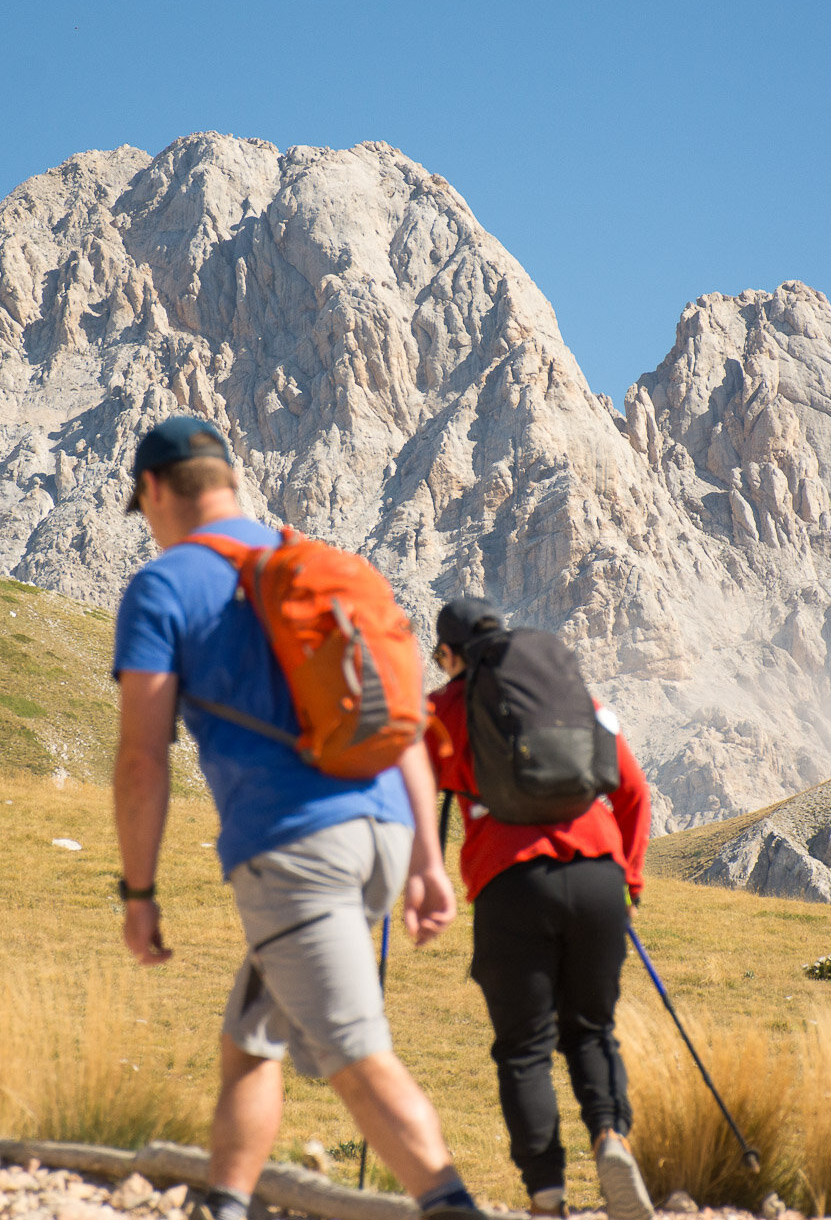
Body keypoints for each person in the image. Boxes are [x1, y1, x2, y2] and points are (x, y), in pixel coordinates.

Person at [110, 416, 483, 1220]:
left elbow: (141, 758)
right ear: (231, 483)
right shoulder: (326, 566)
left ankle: (453, 1206)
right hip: (383, 830)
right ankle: (227, 1205)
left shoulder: (165, 585)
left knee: (357, 1057)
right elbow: (405, 726)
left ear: (153, 493)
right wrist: (425, 860)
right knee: (250, 1038)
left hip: (294, 849)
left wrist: (137, 892)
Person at [426, 597, 654, 1220]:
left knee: (524, 1046)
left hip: (512, 884)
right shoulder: (577, 699)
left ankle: (546, 1197)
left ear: (449, 655)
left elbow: (403, 777)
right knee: (591, 1030)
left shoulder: (446, 707)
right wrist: (629, 881)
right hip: (600, 877)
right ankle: (610, 1137)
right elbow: (633, 791)